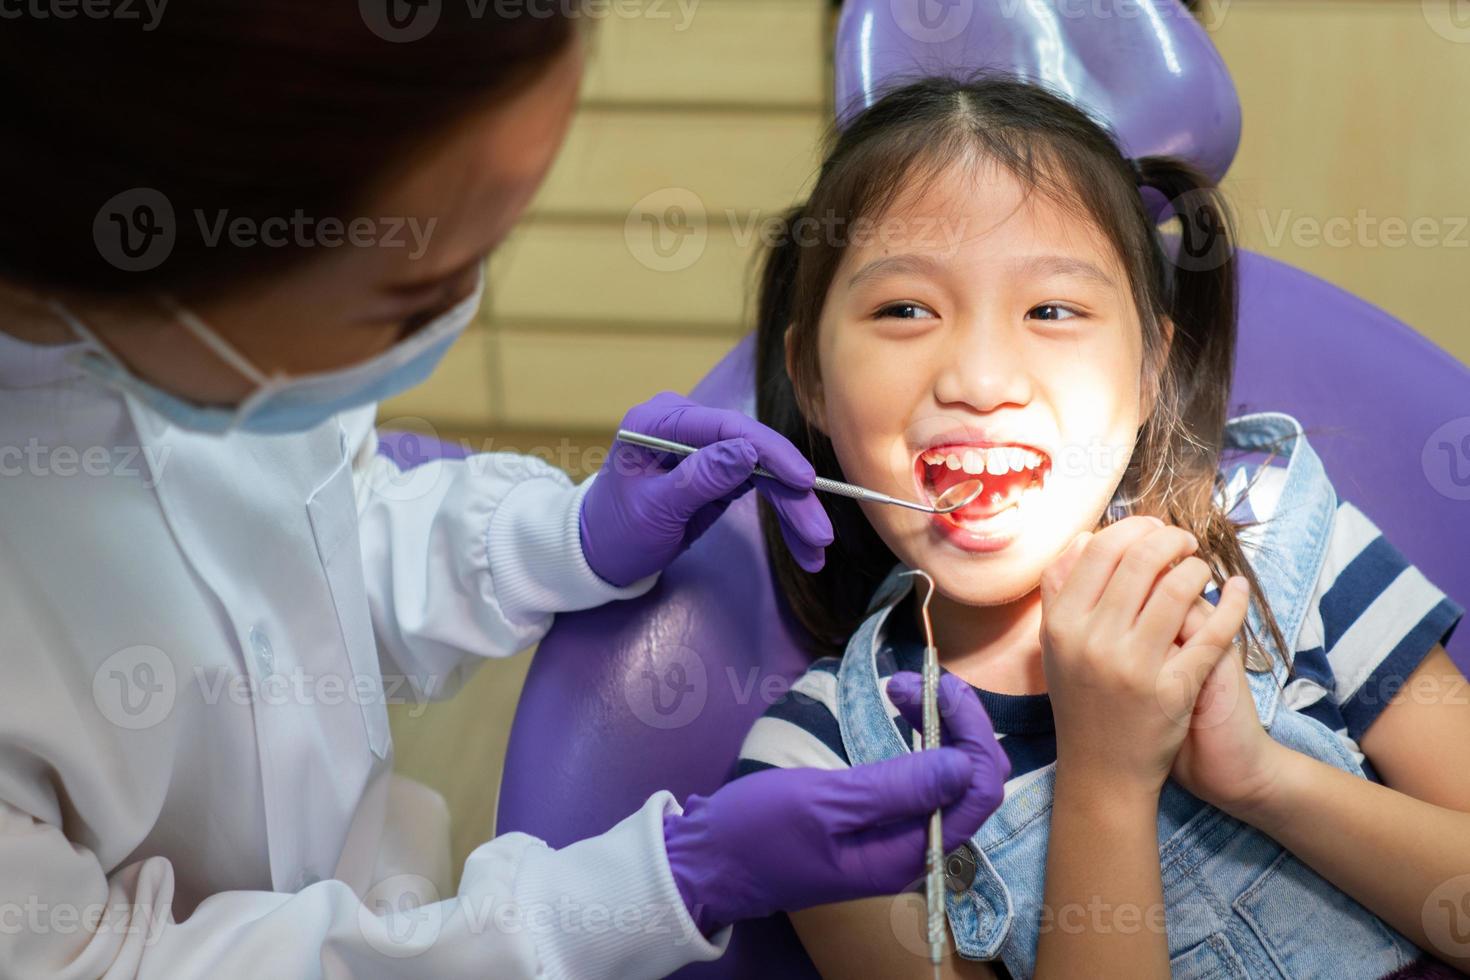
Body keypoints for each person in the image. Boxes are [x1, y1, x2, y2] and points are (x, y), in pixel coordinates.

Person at [0, 8, 1011, 978]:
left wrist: (564, 536)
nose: (978, 380)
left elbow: (313, 552)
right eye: (418, 288)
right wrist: (667, 883)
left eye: (1053, 307)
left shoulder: (213, 344)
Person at [729, 75, 1470, 978]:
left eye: (1052, 310)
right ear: (810, 378)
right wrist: (1107, 780)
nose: (981, 376)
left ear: (1152, 365)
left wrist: (1263, 781)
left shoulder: (1286, 540)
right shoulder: (814, 775)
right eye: (905, 310)